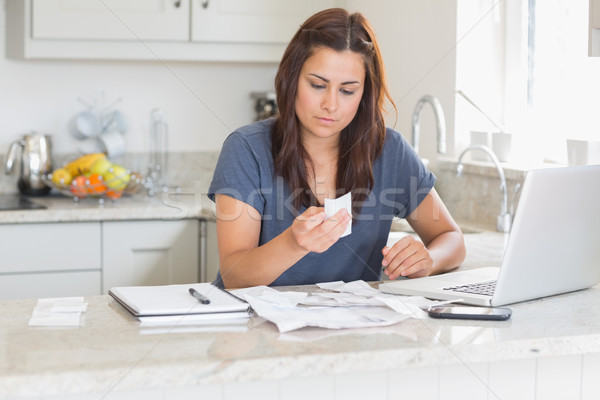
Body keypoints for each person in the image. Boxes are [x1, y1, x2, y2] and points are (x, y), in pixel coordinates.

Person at [208, 8, 466, 289]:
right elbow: (234, 275)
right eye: (318, 85)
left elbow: (451, 238)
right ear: (291, 79)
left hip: (352, 327)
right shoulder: (247, 148)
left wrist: (429, 258)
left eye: (347, 90)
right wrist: (294, 244)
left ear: (364, 93)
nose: (330, 104)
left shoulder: (390, 151)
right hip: (256, 326)